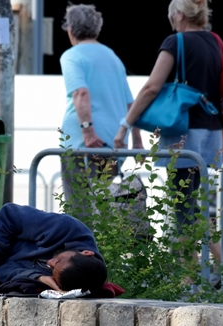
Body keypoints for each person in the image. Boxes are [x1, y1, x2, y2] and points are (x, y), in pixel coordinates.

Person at [113, 0, 223, 287]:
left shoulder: (175, 41)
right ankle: (207, 267)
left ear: (178, 15)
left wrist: (125, 125)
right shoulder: (215, 42)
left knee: (183, 206)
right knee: (192, 204)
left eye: (171, 17)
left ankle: (205, 270)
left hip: (184, 135)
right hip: (211, 132)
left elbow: (153, 86)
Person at [59, 3, 143, 216]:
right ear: (96, 29)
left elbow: (80, 93)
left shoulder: (72, 55)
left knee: (79, 210)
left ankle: (82, 249)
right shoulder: (113, 57)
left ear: (70, 30)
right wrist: (137, 141)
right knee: (107, 208)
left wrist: (88, 132)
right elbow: (130, 104)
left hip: (83, 145)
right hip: (113, 144)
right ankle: (103, 248)